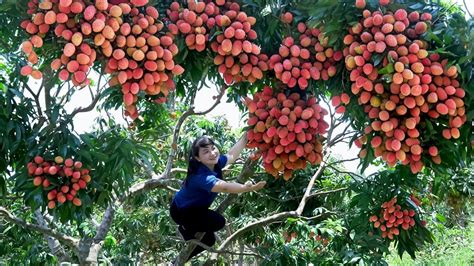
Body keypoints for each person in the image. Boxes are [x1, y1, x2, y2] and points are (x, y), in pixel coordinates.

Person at [169, 135, 266, 261]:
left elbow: (231, 155)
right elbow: (224, 187)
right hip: (182, 212)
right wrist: (246, 188)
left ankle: (177, 261)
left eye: (213, 148)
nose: (212, 153)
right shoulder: (201, 176)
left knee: (209, 240)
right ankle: (185, 228)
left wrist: (247, 135)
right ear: (198, 158)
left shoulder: (215, 164)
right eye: (206, 151)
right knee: (218, 222)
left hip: (196, 208)